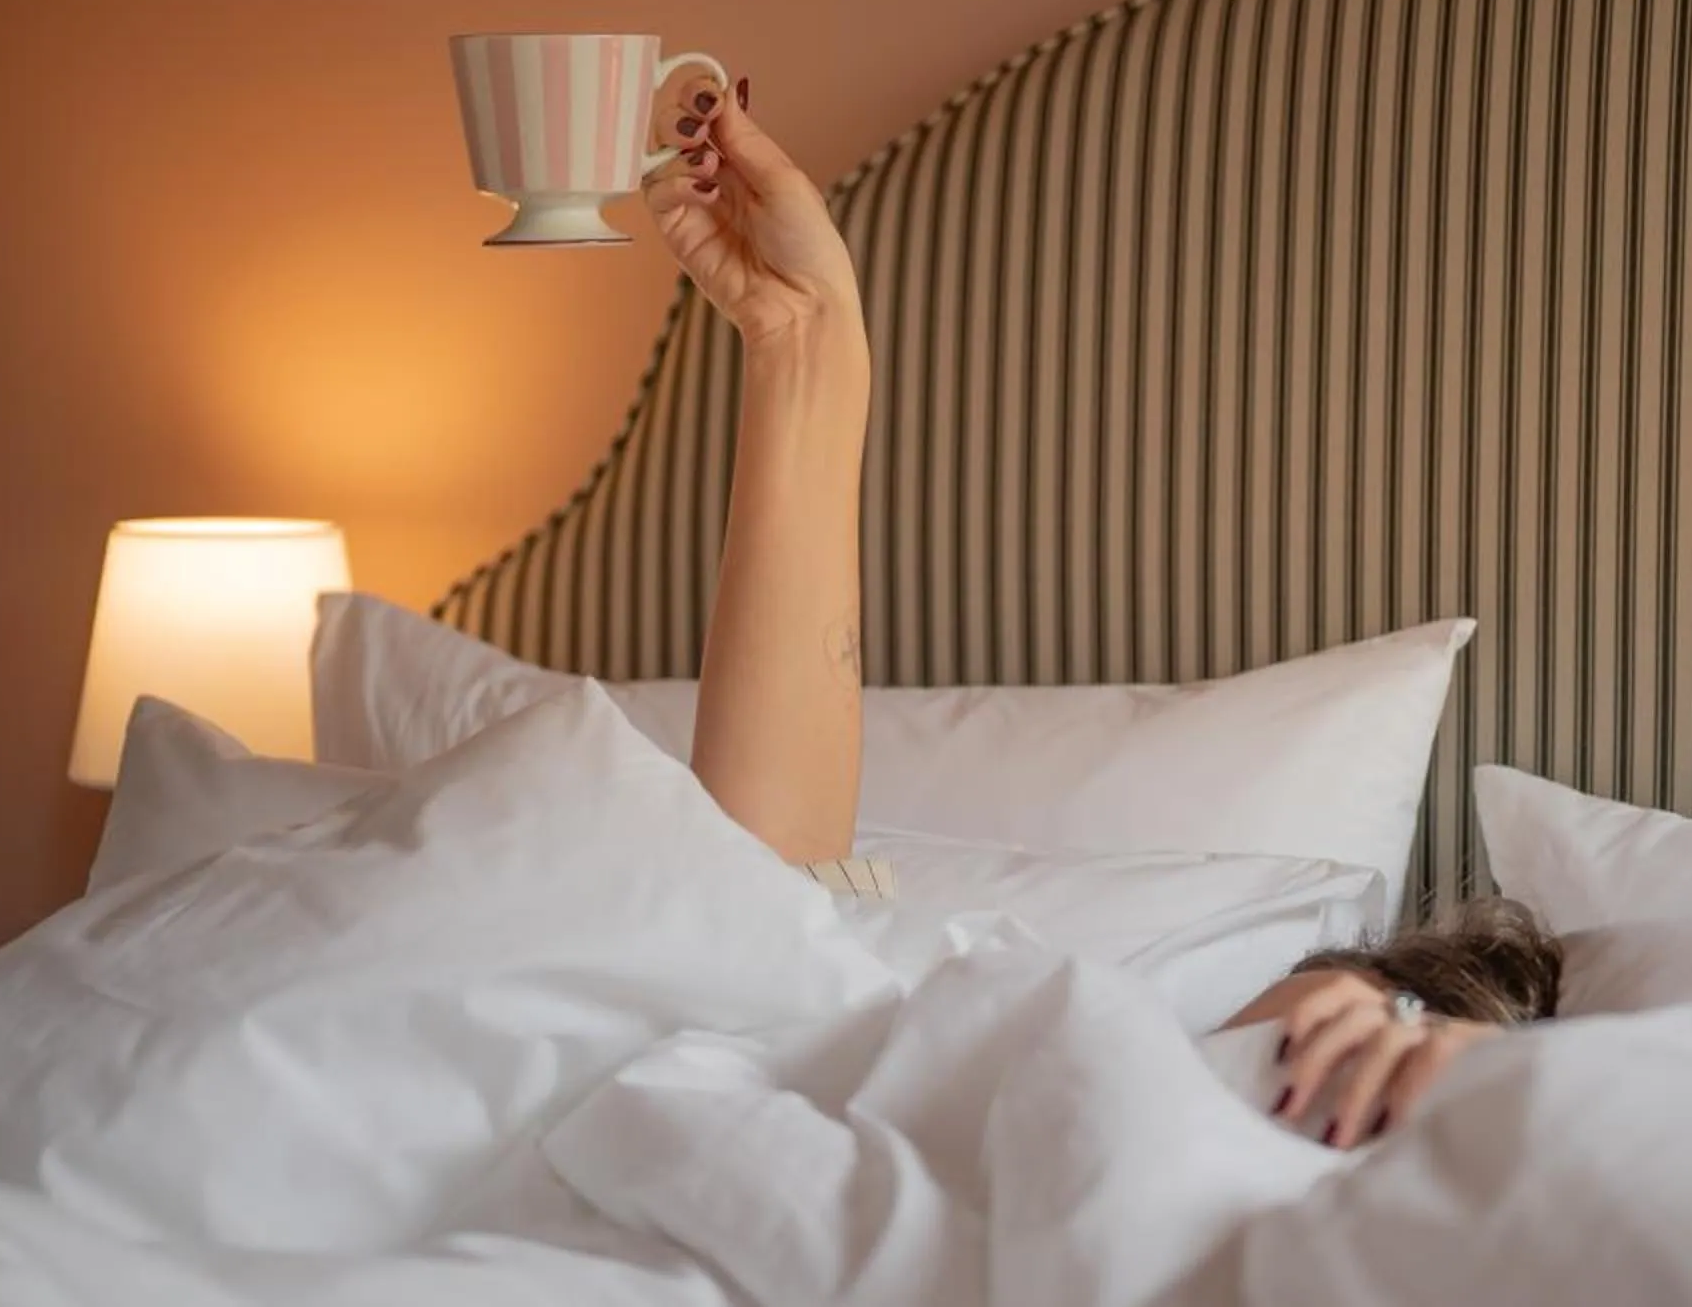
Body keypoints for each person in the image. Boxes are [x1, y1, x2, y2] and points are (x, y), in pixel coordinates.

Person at [643, 79, 1559, 1148]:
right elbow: (754, 919)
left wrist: (1502, 1087)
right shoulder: (1001, 1050)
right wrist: (803, 338)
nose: (1336, 1070)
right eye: (1363, 1020)